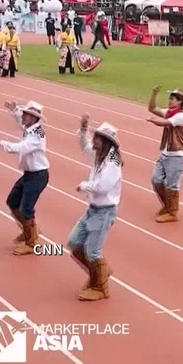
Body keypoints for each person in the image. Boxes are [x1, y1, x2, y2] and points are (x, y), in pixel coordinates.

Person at [68, 115, 122, 302]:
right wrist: (84, 129)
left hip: (104, 211)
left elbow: (102, 187)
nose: (94, 139)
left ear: (106, 142)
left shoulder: (112, 164)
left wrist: (84, 185)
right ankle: (99, 273)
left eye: (97, 137)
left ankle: (100, 287)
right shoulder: (100, 154)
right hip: (93, 209)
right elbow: (85, 146)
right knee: (74, 242)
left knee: (92, 252)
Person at [0, 101, 50, 256]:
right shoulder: (31, 128)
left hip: (37, 176)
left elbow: (22, 147)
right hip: (29, 175)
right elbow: (22, 126)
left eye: (25, 114)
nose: (23, 116)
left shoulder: (37, 135)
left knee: (26, 209)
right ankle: (29, 231)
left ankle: (31, 243)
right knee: (13, 201)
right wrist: (15, 111)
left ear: (34, 117)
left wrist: (5, 144)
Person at [146, 86, 183, 223]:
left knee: (172, 185)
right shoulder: (169, 112)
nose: (170, 100)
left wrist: (153, 120)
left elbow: (165, 123)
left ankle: (172, 212)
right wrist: (154, 93)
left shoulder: (181, 116)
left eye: (173, 99)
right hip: (165, 153)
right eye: (170, 98)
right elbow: (152, 108)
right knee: (156, 179)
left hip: (176, 155)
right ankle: (167, 206)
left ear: (180, 102)